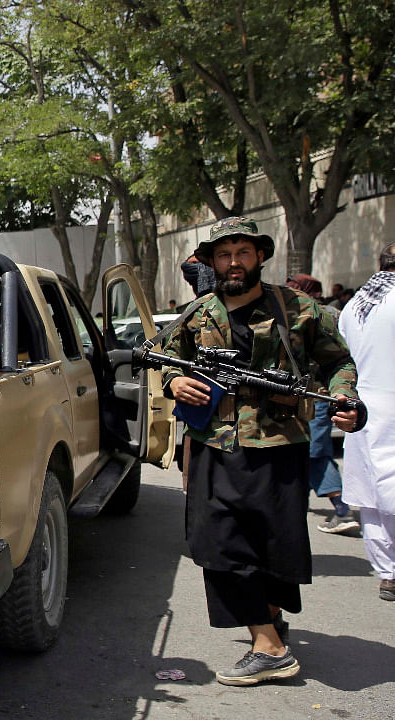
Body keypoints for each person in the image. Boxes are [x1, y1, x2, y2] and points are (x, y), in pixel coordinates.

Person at [160, 216, 360, 686]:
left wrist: (347, 400)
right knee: (217, 544)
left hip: (278, 443)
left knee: (277, 546)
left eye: (243, 253)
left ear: (260, 257)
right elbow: (167, 361)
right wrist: (177, 381)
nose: (234, 262)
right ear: (212, 262)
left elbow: (338, 363)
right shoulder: (198, 313)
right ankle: (268, 644)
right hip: (215, 443)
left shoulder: (298, 308)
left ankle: (268, 624)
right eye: (224, 254)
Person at [339, 242, 395, 601]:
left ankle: (388, 573)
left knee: (372, 498)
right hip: (386, 405)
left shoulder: (355, 304)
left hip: (362, 408)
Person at [285, 274, 355, 534]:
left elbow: (339, 357)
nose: (289, 290)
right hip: (301, 395)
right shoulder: (294, 309)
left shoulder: (321, 314)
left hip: (320, 394)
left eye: (294, 286)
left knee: (316, 451)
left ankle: (342, 508)